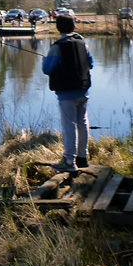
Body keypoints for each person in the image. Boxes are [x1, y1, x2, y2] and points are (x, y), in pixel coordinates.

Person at [42, 12, 93, 172]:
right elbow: (90, 63)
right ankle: (82, 158)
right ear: (74, 26)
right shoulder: (83, 43)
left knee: (69, 126)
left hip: (66, 94)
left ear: (58, 28)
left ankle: (69, 161)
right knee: (82, 123)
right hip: (83, 90)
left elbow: (47, 69)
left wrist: (45, 59)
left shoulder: (57, 47)